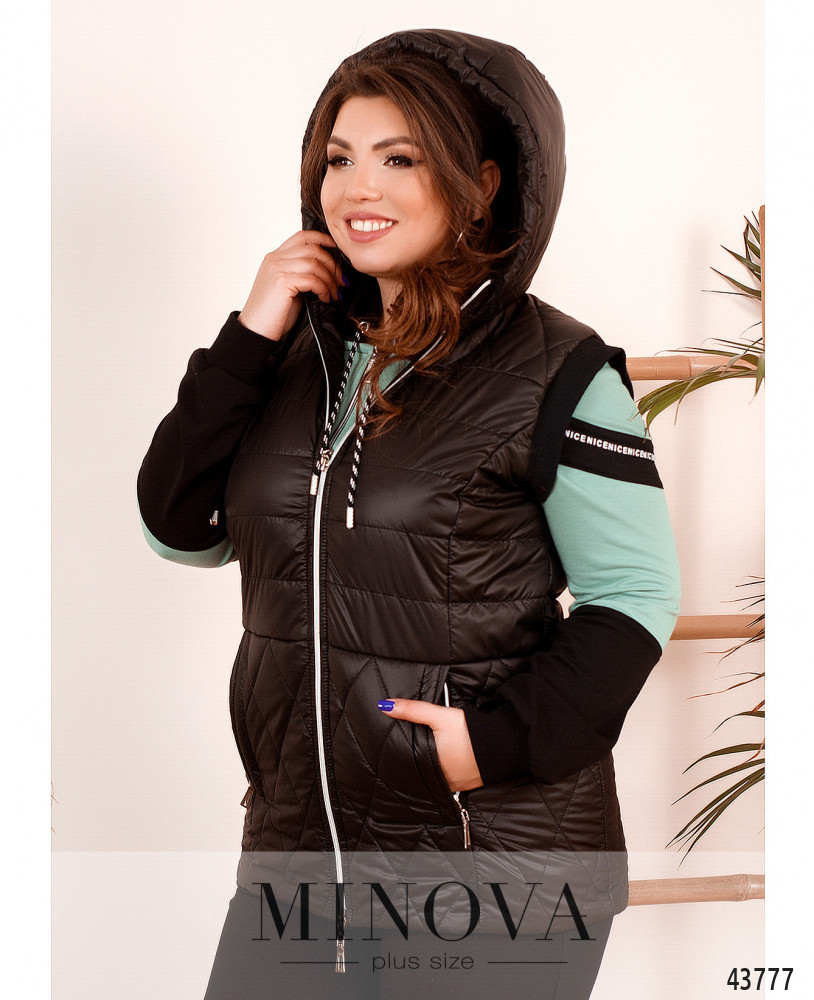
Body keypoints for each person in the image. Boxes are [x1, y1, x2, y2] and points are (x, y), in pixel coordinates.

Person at [137, 28, 680, 1000]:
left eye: (400, 159)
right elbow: (177, 528)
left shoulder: (559, 370)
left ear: (479, 183)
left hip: (495, 867)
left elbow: (634, 597)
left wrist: (486, 746)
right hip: (301, 858)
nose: (359, 189)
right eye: (339, 159)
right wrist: (250, 331)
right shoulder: (288, 355)